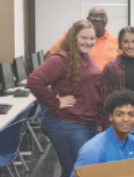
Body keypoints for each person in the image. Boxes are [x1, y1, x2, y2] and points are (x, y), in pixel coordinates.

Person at [27, 20, 101, 177]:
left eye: (91, 38)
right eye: (84, 38)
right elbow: (34, 81)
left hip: (87, 121)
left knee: (83, 169)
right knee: (75, 170)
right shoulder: (61, 59)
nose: (88, 42)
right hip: (67, 123)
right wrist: (55, 102)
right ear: (74, 37)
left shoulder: (87, 57)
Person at [71, 90, 134, 177]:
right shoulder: (93, 150)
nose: (126, 119)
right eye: (119, 114)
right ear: (110, 117)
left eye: (131, 115)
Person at [48, 7, 119, 71]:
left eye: (101, 16)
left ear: (106, 20)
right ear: (87, 19)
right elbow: (49, 55)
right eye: (94, 16)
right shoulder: (73, 36)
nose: (98, 19)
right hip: (80, 83)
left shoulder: (117, 41)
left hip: (108, 84)